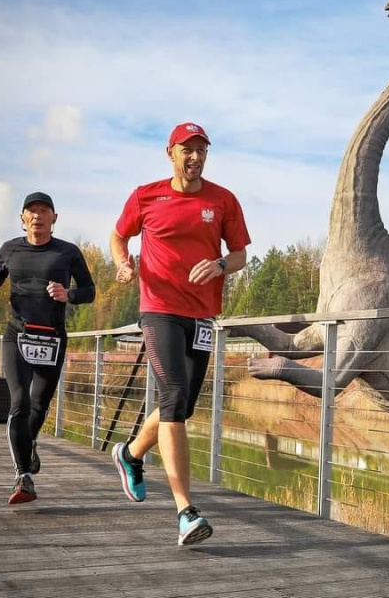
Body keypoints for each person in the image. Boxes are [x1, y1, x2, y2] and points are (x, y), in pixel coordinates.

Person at [109, 122, 250, 545]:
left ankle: (130, 454)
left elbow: (240, 253)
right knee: (172, 396)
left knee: (182, 406)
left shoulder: (223, 200)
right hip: (159, 310)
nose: (195, 157)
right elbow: (119, 236)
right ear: (170, 153)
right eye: (186, 150)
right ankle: (186, 511)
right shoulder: (146, 195)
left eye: (201, 150)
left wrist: (221, 265)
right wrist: (122, 263)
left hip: (201, 316)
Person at [0, 192, 96, 504]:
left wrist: (67, 295)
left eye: (44, 211)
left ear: (54, 218)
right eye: (31, 211)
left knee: (38, 405)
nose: (37, 216)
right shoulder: (9, 249)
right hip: (17, 334)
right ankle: (23, 475)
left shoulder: (67, 252)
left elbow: (89, 291)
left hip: (52, 338)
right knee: (18, 401)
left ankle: (29, 442)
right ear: (22, 218)